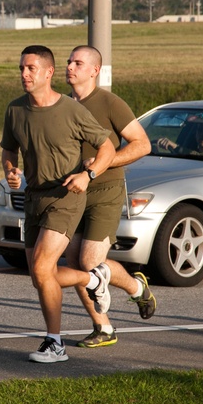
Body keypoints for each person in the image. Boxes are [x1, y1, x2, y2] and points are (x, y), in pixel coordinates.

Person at [2, 45, 127, 363]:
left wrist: (89, 175)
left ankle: (54, 343)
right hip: (34, 198)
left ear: (47, 73)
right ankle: (92, 278)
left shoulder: (71, 111)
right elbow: (9, 151)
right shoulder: (15, 110)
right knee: (38, 276)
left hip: (66, 197)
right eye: (21, 68)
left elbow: (108, 148)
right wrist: (11, 172)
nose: (24, 74)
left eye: (30, 68)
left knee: (44, 268)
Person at [63, 45, 156, 349]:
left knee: (91, 262)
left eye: (78, 63)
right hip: (73, 191)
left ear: (94, 70)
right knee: (76, 264)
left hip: (105, 189)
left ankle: (136, 287)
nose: (70, 67)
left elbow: (142, 145)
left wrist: (105, 162)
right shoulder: (62, 105)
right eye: (68, 62)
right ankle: (103, 327)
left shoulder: (110, 103)